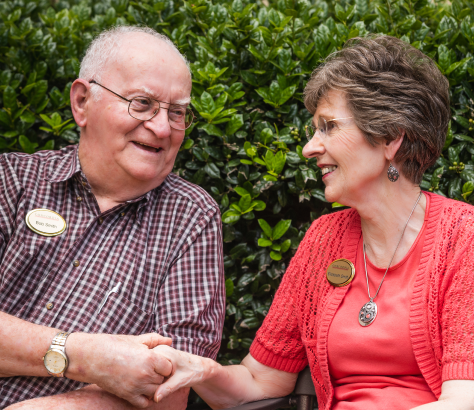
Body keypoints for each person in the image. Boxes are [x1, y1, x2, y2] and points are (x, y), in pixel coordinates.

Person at [147, 35, 474, 410]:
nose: (309, 148)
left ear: (389, 138)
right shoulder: (324, 240)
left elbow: (464, 400)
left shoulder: (463, 238)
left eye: (329, 127)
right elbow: (261, 380)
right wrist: (199, 370)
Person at [0, 26, 225, 409]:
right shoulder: (12, 179)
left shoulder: (191, 217)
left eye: (177, 112)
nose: (161, 127)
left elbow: (171, 391)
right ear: (82, 102)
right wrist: (86, 355)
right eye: (141, 104)